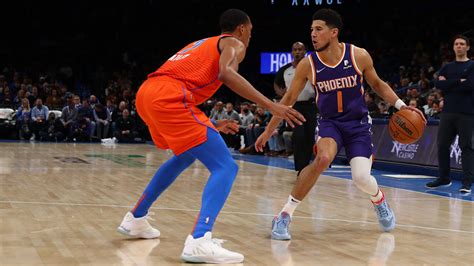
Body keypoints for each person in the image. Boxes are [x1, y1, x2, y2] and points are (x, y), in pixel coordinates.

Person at [117, 9, 304, 264]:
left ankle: (136, 218)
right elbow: (225, 74)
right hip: (169, 96)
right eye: (250, 31)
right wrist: (270, 106)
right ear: (241, 29)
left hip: (147, 95)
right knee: (225, 167)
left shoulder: (201, 43)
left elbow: (181, 82)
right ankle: (199, 239)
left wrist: (213, 123)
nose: (250, 37)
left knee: (184, 156)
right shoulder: (234, 43)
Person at [255, 8, 426, 240]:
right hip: (329, 123)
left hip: (358, 125)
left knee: (361, 178)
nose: (313, 34)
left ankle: (379, 199)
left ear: (333, 32)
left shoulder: (358, 55)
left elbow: (377, 83)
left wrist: (401, 105)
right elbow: (287, 101)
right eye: (311, 30)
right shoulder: (308, 64)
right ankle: (284, 215)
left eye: (318, 29)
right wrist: (268, 130)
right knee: (323, 159)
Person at [425, 35, 474, 194]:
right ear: (453, 47)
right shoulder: (447, 66)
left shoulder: (472, 65)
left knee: (466, 147)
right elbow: (439, 84)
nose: (459, 46)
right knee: (442, 145)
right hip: (447, 112)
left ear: (467, 47)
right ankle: (444, 178)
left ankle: (467, 182)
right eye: (456, 44)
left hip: (467, 112)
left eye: (462, 44)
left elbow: (470, 85)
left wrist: (450, 84)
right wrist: (458, 81)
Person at [274, 42, 318, 175]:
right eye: (295, 50)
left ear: (305, 51)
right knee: (298, 136)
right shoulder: (285, 69)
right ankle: (300, 168)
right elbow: (276, 83)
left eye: (300, 49)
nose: (298, 52)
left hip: (310, 105)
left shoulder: (312, 67)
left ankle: (305, 166)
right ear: (292, 52)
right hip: (294, 106)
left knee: (310, 137)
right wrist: (281, 93)